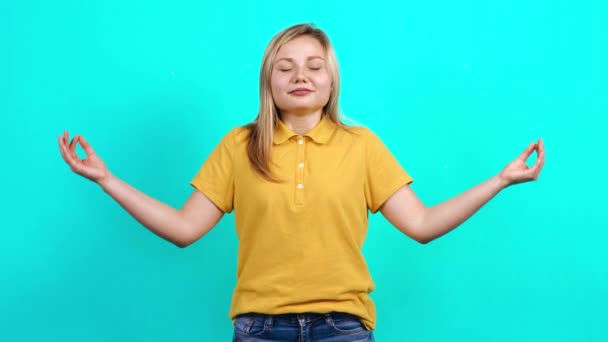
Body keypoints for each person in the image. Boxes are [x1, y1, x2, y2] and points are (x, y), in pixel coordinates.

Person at [58, 23, 545, 342]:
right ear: (268, 80)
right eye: (285, 67)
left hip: (345, 328)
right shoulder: (238, 145)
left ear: (331, 80)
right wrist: (106, 179)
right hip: (259, 328)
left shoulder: (362, 146)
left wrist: (499, 180)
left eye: (314, 67)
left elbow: (420, 223)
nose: (300, 77)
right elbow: (185, 229)